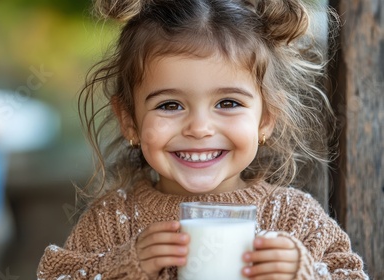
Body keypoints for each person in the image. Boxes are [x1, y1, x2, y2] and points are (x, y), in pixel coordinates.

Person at [38, 0, 369, 279]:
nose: (199, 128)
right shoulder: (112, 221)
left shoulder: (293, 218)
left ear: (266, 118)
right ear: (129, 120)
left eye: (228, 103)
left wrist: (305, 272)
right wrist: (123, 266)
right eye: (170, 105)